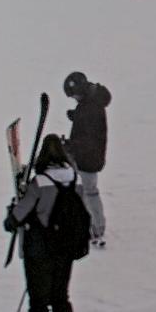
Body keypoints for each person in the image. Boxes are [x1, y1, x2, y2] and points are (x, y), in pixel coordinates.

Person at [5, 134, 92, 312]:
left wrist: (11, 215)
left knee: (39, 304)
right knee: (60, 298)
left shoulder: (40, 182)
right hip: (66, 250)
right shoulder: (75, 179)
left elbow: (18, 216)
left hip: (40, 252)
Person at [61, 71, 111, 245]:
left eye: (74, 95)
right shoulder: (90, 102)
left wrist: (69, 145)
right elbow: (88, 125)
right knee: (82, 190)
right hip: (89, 155)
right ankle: (86, 224)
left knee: (89, 191)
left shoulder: (90, 108)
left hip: (88, 157)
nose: (74, 99)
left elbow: (88, 138)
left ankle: (96, 229)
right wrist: (76, 116)